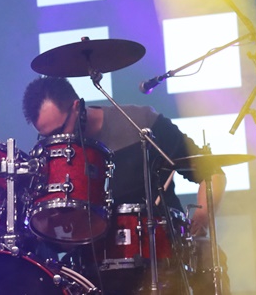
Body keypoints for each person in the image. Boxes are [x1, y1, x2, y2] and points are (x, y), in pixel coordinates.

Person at [21, 76, 229, 294]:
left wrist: (202, 216)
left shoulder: (141, 123)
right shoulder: (51, 157)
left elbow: (212, 172)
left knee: (209, 256)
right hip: (94, 269)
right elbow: (55, 238)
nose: (55, 140)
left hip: (163, 253)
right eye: (46, 136)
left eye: (58, 131)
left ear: (77, 107)